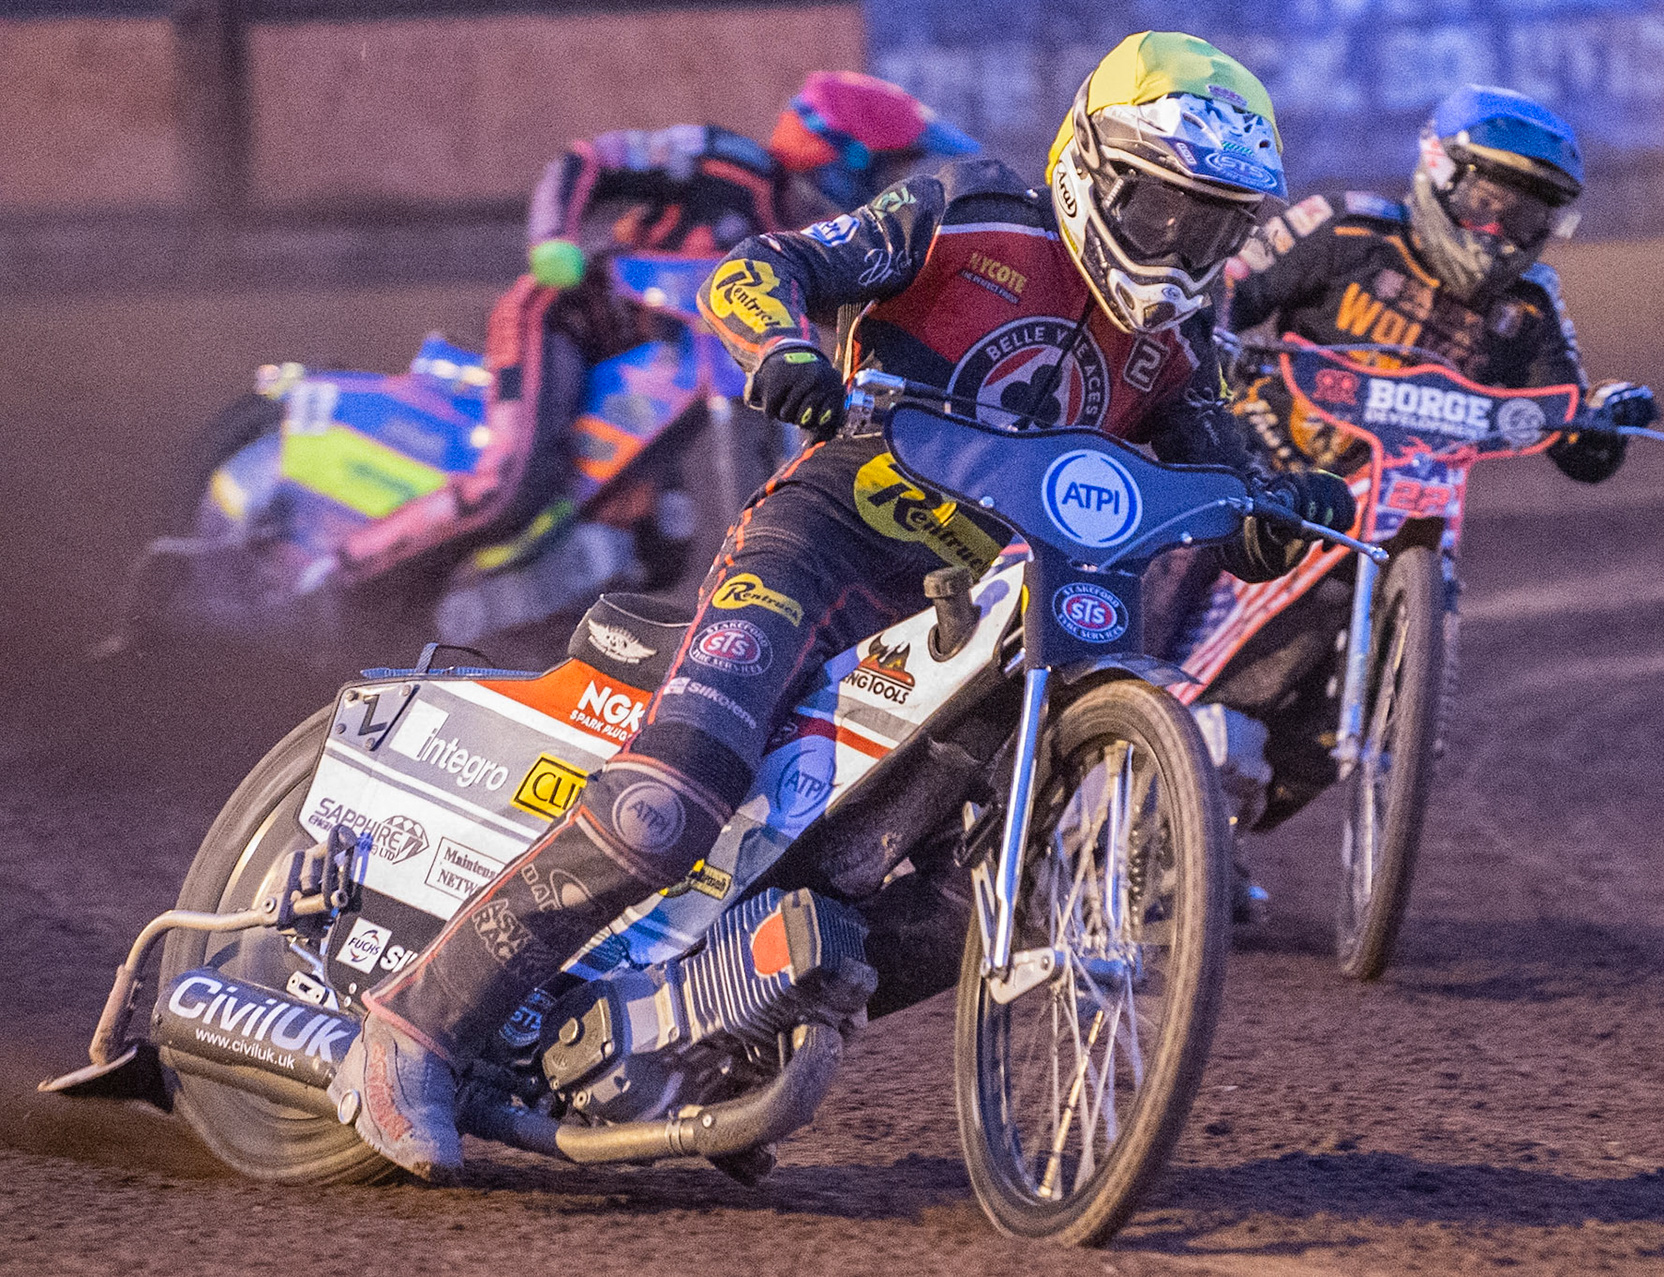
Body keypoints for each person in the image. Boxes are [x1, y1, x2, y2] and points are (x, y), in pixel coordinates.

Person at [328, 31, 1354, 1178]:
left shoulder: (1180, 340)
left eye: (1217, 222)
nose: (1187, 244)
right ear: (1094, 167)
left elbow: (1214, 473)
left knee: (976, 899)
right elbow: (764, 268)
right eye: (1166, 208)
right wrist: (780, 350)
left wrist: (1269, 508)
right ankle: (411, 1027)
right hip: (823, 542)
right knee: (673, 800)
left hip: (981, 614)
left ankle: (711, 1029)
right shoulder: (971, 216)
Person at [1155, 84, 1661, 839]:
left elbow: (1567, 423)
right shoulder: (1343, 226)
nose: (1500, 231)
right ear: (1440, 173)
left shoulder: (1530, 302)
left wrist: (1607, 417)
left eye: (1524, 216)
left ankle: (1207, 840)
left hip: (1394, 525)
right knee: (1155, 591)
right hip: (1261, 466)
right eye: (1489, 202)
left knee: (1359, 703)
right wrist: (1218, 375)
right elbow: (1219, 292)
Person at [334, 72, 979, 583]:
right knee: (511, 486)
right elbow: (588, 158)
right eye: (887, 163)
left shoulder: (815, 245)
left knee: (659, 550)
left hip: (656, 385)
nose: (886, 181)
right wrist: (552, 241)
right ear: (843, 147)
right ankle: (349, 572)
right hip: (570, 323)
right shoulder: (730, 163)